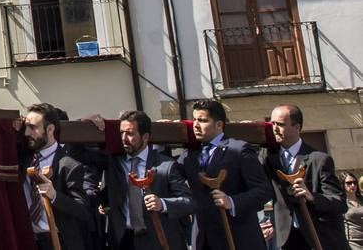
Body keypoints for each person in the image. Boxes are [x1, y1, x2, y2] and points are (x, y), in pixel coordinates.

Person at [182, 98, 270, 250]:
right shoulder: (189, 155)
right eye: (194, 119)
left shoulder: (239, 150)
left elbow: (263, 191)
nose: (196, 125)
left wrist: (232, 202)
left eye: (203, 120)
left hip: (237, 238)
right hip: (204, 239)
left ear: (219, 125)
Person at [96, 110, 189, 250]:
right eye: (121, 133)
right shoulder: (114, 163)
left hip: (157, 240)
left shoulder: (166, 166)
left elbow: (189, 201)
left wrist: (162, 203)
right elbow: (78, 152)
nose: (123, 138)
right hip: (123, 240)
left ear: (145, 137)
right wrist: (85, 121)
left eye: (130, 133)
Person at [264, 104, 349, 250]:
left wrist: (312, 196)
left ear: (297, 127)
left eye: (280, 124)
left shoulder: (319, 159)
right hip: (286, 240)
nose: (275, 128)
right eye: (272, 123)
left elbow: (339, 203)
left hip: (317, 238)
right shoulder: (267, 157)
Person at [20, 103, 93, 250]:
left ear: (50, 129)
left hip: (60, 242)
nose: (27, 133)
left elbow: (83, 210)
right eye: (25, 127)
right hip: (30, 240)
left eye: (33, 127)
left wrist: (54, 196)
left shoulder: (69, 165)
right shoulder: (24, 160)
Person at [341, 171, 362, 250]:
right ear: (342, 185)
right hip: (352, 243)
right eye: (349, 183)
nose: (353, 185)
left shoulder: (361, 199)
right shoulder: (341, 202)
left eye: (354, 182)